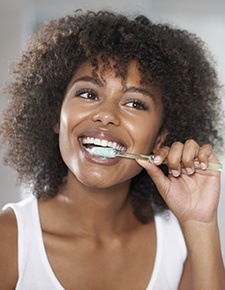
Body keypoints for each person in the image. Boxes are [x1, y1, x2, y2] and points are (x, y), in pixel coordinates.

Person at [0, 10, 224, 290]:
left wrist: (200, 224)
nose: (106, 115)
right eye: (88, 94)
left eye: (135, 103)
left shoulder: (180, 241)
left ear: (159, 139)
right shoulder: (7, 240)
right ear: (57, 116)